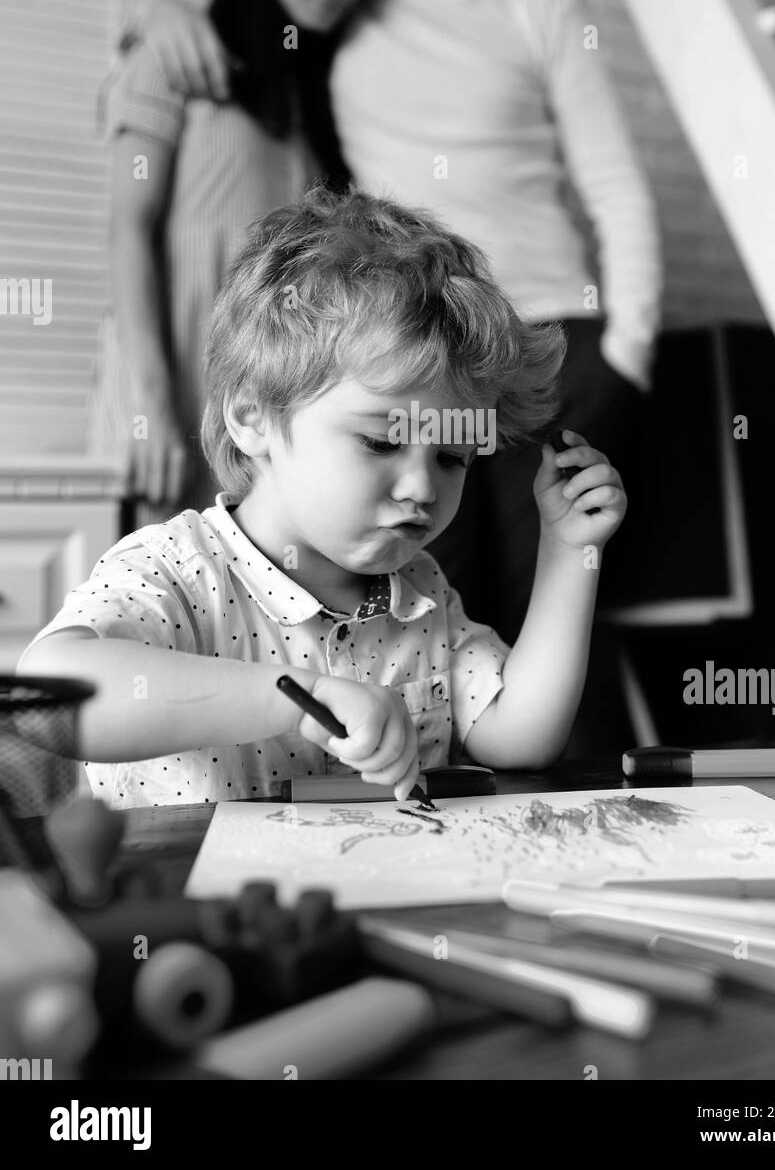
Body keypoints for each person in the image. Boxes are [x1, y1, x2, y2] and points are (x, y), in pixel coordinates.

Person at [132, 0, 660, 652]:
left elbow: (614, 180)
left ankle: (570, 794)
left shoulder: (535, 2)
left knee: (558, 615)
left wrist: (628, 352)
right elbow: (249, 27)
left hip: (551, 345)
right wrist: (159, 15)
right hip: (410, 362)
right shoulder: (339, 10)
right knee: (429, 619)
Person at [20, 190, 626, 808]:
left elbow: (520, 737)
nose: (422, 487)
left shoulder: (421, 593)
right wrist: (295, 696)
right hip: (195, 897)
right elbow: (50, 700)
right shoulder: (175, 569)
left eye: (451, 458)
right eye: (379, 442)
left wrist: (568, 550)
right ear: (252, 416)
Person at [93, 0, 383, 519]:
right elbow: (127, 232)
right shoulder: (173, 57)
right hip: (164, 409)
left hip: (261, 430)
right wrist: (148, 404)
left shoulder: (311, 121)